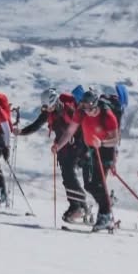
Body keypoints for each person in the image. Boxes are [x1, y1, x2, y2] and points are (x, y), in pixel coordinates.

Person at [20, 89, 86, 223]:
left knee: (69, 175)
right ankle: (77, 206)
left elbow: (79, 128)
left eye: (48, 106)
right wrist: (21, 132)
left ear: (54, 102)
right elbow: (36, 125)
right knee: (67, 177)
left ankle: (79, 207)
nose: (46, 109)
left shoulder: (68, 110)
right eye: (45, 107)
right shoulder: (49, 112)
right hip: (62, 148)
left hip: (75, 146)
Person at [73, 89, 120, 231]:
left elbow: (115, 140)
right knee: (90, 185)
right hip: (93, 150)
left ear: (94, 104)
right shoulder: (83, 113)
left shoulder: (107, 115)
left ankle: (104, 215)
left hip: (106, 151)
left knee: (98, 184)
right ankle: (107, 204)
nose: (86, 111)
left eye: (88, 107)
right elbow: (72, 130)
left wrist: (102, 143)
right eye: (84, 107)